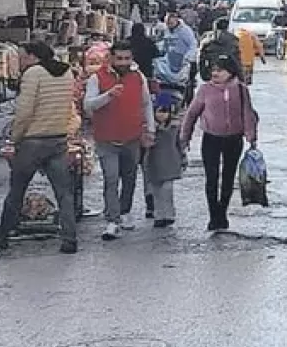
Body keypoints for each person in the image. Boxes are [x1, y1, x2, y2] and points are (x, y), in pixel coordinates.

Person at [0, 41, 79, 254]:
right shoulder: (66, 73)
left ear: (34, 57)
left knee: (17, 188)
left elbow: (24, 111)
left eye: (23, 56)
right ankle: (70, 238)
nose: (21, 61)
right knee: (64, 192)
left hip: (33, 141)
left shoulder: (33, 74)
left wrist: (15, 139)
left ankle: (3, 233)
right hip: (59, 139)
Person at [84, 40, 156, 240]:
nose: (123, 62)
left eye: (127, 58)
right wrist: (108, 95)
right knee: (111, 178)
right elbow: (88, 106)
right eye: (119, 58)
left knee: (130, 177)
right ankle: (112, 219)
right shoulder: (97, 78)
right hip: (106, 139)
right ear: (111, 58)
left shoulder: (138, 76)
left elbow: (146, 104)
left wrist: (150, 129)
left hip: (132, 137)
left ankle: (125, 212)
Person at [180, 55, 258, 232]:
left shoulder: (241, 90)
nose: (215, 73)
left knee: (228, 178)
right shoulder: (205, 90)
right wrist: (185, 137)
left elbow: (247, 113)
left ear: (230, 72)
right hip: (211, 138)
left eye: (219, 70)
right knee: (212, 178)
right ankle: (213, 215)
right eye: (213, 70)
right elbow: (191, 114)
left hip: (234, 139)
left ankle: (222, 211)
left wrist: (251, 136)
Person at [144, 92, 184, 228]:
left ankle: (169, 214)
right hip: (154, 162)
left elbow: (179, 144)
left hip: (170, 162)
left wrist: (183, 158)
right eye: (158, 111)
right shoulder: (149, 129)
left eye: (164, 111)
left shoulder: (174, 127)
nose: (161, 115)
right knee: (156, 190)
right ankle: (159, 215)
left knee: (167, 189)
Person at [164, 12, 199, 84]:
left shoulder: (185, 30)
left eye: (171, 23)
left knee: (183, 83)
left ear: (176, 21)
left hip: (184, 61)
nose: (169, 26)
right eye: (167, 24)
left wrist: (188, 57)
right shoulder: (167, 29)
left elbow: (193, 44)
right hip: (171, 60)